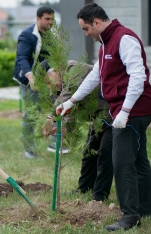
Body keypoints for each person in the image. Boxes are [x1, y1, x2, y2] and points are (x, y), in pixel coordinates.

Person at [56, 3, 151, 231]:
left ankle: (130, 216)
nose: (86, 33)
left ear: (97, 23)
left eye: (86, 28)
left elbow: (138, 76)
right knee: (139, 159)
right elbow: (95, 76)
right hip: (126, 110)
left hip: (133, 111)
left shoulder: (124, 39)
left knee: (121, 163)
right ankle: (146, 210)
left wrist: (126, 111)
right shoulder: (105, 44)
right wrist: (71, 102)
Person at [41, 60, 113, 202]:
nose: (50, 88)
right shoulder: (59, 88)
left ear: (55, 72)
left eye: (49, 82)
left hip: (112, 111)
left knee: (105, 154)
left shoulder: (73, 69)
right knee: (89, 153)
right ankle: (84, 189)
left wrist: (51, 117)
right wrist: (65, 127)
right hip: (97, 117)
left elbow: (70, 93)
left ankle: (99, 196)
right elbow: (70, 109)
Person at [13, 6, 59, 159]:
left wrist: (53, 77)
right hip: (28, 79)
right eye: (47, 19)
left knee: (57, 107)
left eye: (52, 19)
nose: (50, 22)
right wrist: (31, 77)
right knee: (32, 114)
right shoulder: (27, 35)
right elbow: (22, 58)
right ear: (38, 18)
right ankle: (29, 150)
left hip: (45, 79)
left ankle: (56, 143)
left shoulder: (50, 37)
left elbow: (52, 59)